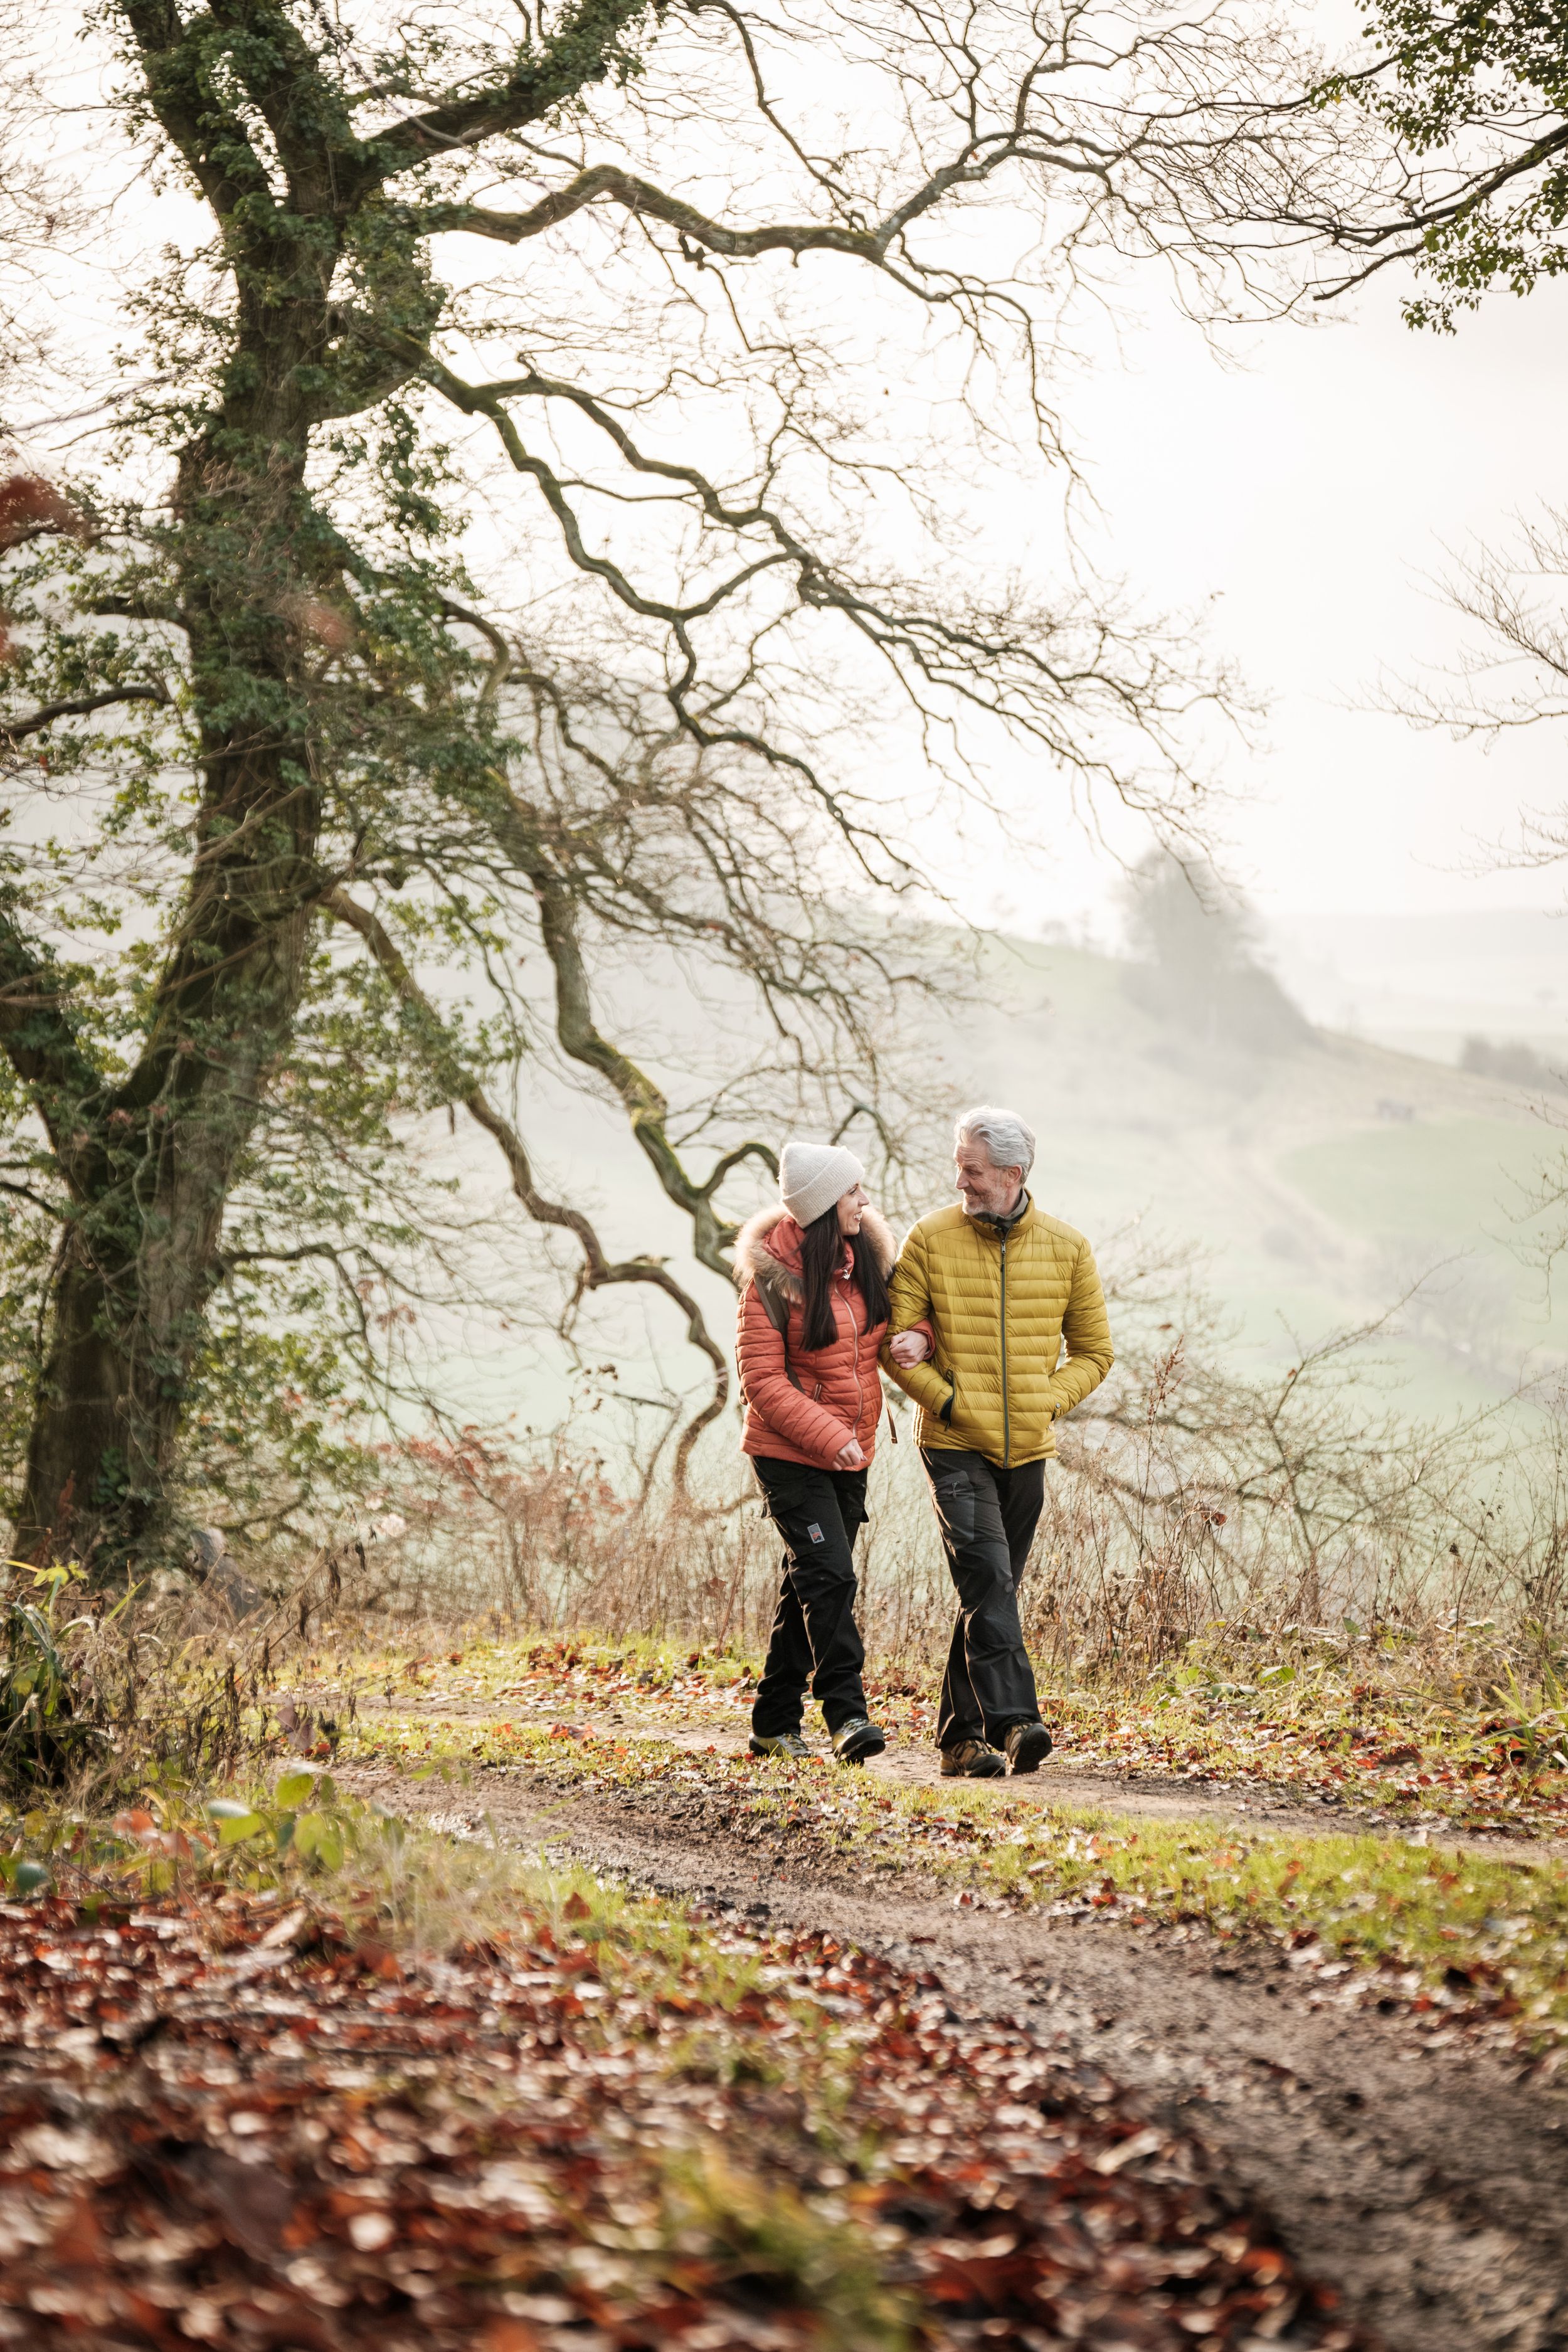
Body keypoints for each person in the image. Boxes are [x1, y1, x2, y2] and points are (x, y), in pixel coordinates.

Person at [882, 1106, 1113, 1778]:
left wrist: (1046, 1400)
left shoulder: (1068, 1249)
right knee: (988, 1576)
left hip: (1028, 1449)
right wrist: (950, 1400)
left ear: (1012, 1174)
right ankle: (1016, 1721)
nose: (960, 1181)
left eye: (972, 1170)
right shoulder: (929, 1239)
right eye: (959, 1166)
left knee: (992, 1588)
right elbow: (894, 1348)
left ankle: (960, 1739)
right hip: (954, 1442)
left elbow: (1095, 1353)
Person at [734, 1139, 894, 1764]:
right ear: (826, 1204)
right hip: (789, 1456)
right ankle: (846, 1714)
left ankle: (773, 1724)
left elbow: (905, 1318)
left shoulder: (867, 1264)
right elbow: (763, 1383)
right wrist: (831, 1437)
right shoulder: (769, 1285)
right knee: (830, 1577)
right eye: (854, 1191)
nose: (864, 1201)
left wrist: (919, 1339)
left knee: (809, 1589)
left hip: (850, 1458)